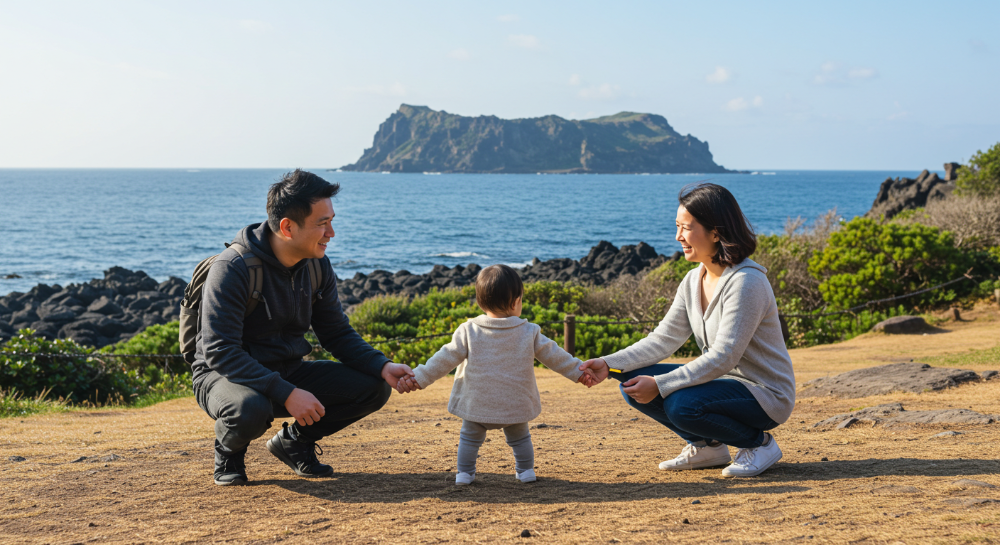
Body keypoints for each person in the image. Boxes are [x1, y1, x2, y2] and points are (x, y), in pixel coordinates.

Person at [192, 169, 415, 486]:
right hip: (223, 375)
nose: (332, 233)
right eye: (322, 224)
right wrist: (288, 392)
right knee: (250, 407)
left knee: (373, 387)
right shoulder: (233, 268)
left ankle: (293, 442)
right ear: (287, 227)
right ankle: (228, 451)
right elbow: (220, 351)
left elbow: (336, 333)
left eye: (331, 220)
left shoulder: (316, 264)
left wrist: (382, 365)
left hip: (287, 370)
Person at [579, 183, 795, 477]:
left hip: (764, 394)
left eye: (686, 228)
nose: (678, 236)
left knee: (681, 405)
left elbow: (724, 356)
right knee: (631, 382)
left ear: (716, 232)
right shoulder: (693, 280)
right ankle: (708, 446)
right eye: (677, 227)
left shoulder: (746, 282)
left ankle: (759, 444)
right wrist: (609, 364)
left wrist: (661, 384)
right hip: (721, 384)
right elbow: (662, 340)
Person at [395, 264, 589, 485]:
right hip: (514, 403)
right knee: (521, 438)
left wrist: (420, 377)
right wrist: (578, 372)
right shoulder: (529, 332)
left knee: (469, 438)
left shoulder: (468, 330)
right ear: (516, 301)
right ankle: (525, 471)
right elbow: (556, 356)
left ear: (480, 302)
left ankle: (465, 474)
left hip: (477, 402)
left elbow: (444, 358)